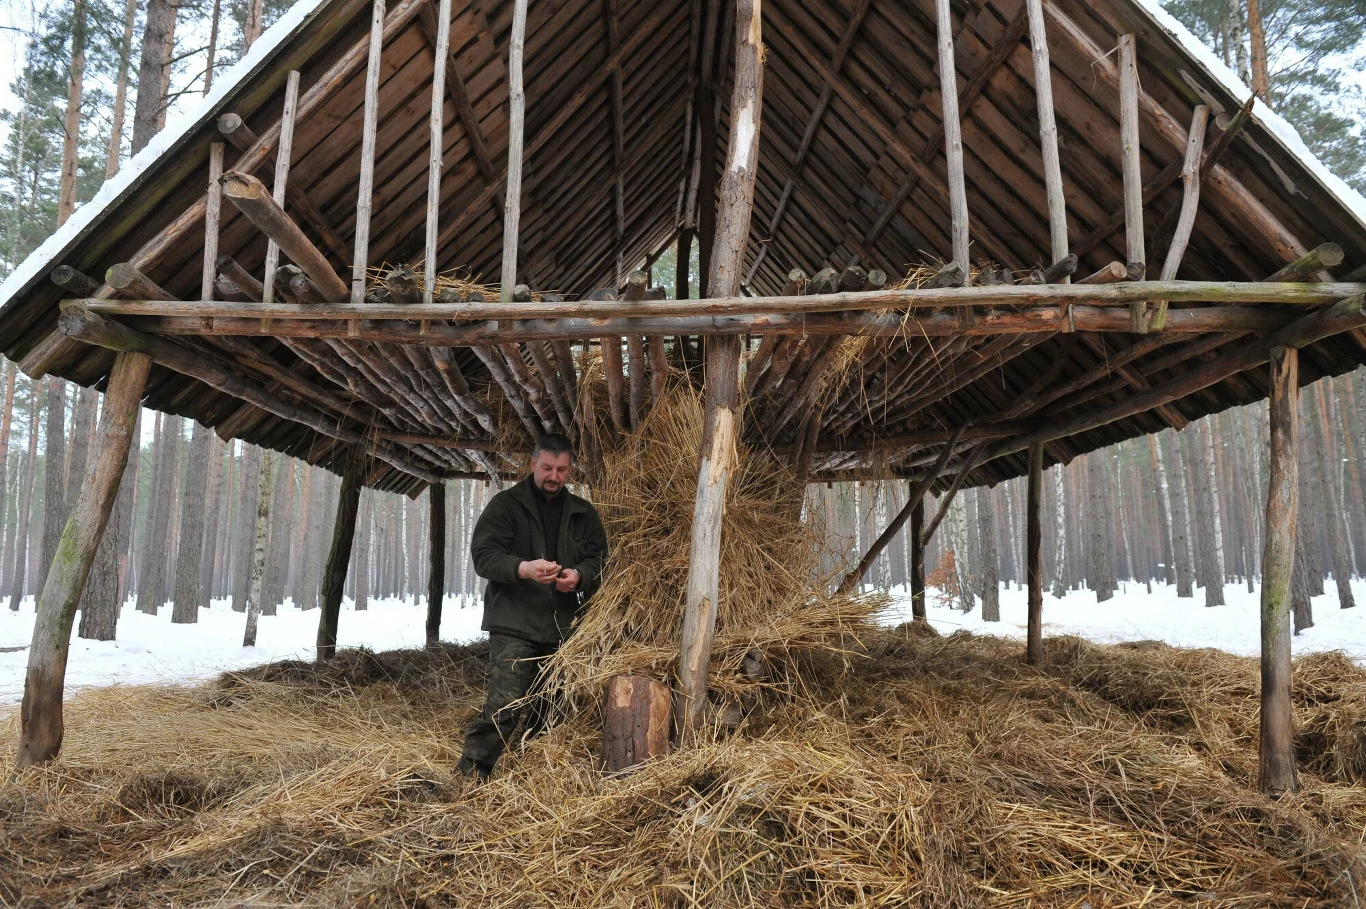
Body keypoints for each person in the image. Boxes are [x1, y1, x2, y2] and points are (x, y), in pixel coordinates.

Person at [457, 432, 607, 780]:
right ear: (532, 463)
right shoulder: (506, 505)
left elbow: (600, 559)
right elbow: (483, 556)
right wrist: (523, 569)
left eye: (561, 470)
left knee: (551, 709)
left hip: (562, 627)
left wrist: (579, 576)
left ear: (570, 470)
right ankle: (471, 775)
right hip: (514, 623)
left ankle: (534, 776)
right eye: (547, 468)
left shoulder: (583, 513)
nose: (554, 476)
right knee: (504, 706)